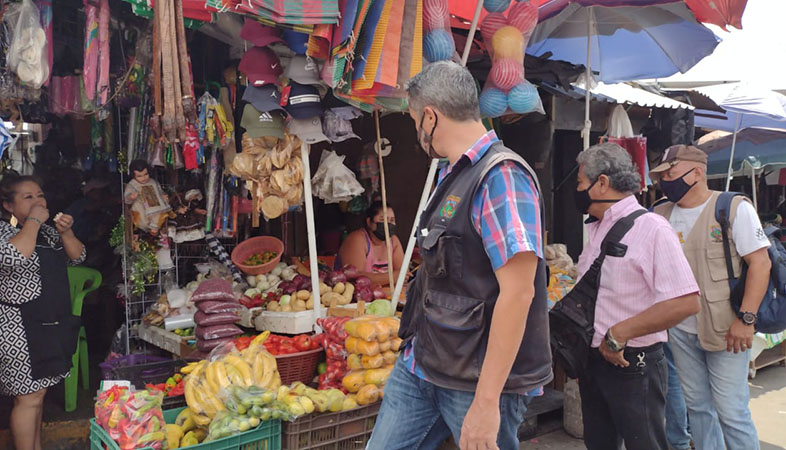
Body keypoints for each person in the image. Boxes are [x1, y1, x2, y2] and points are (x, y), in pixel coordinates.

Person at [368, 60, 552, 450]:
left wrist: (487, 403)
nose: (416, 130)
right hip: (424, 363)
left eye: (416, 119)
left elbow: (519, 293)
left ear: (430, 117)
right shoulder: (450, 172)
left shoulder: (500, 176)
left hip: (475, 380)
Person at [574, 143, 700, 450]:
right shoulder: (597, 227)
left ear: (601, 183)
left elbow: (686, 301)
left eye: (580, 183)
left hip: (633, 363)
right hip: (594, 360)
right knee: (599, 444)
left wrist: (620, 333)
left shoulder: (652, 229)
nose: (576, 190)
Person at [651, 144, 771, 450]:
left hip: (726, 326)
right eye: (661, 175)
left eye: (671, 173)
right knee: (698, 408)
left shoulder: (731, 208)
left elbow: (761, 263)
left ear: (698, 173)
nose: (665, 180)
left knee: (731, 411)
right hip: (680, 328)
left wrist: (746, 320)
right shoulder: (660, 213)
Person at [0, 174, 86, 450]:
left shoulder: (48, 233)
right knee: (27, 398)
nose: (38, 201)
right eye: (28, 197)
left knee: (37, 397)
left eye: (40, 195)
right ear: (8, 206)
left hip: (48, 324)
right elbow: (14, 256)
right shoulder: (3, 232)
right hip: (18, 327)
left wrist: (66, 232)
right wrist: (35, 220)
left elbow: (78, 256)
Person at [336, 201, 404, 287]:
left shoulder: (393, 241)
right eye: (382, 220)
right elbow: (356, 278)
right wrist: (392, 277)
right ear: (369, 222)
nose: (388, 224)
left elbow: (402, 274)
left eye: (392, 220)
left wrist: (396, 277)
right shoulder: (358, 239)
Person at [124, 159, 171, 235]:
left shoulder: (153, 182)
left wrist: (162, 196)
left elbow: (160, 192)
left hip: (154, 206)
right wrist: (131, 197)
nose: (143, 178)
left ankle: (154, 226)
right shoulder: (132, 184)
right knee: (138, 208)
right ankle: (149, 227)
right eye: (139, 176)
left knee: (159, 209)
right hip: (140, 208)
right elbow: (126, 200)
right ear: (133, 175)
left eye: (146, 174)